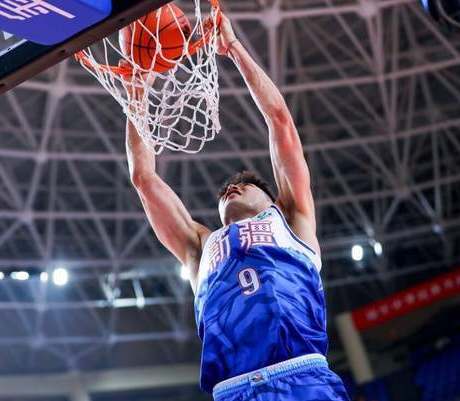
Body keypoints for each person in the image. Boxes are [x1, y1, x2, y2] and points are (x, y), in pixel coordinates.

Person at [123, 11, 349, 401]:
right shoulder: (200, 246)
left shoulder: (291, 219)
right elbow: (143, 178)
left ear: (271, 200)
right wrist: (137, 90)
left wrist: (233, 49)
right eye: (226, 191)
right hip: (233, 391)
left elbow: (280, 121)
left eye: (244, 186)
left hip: (301, 375)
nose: (232, 189)